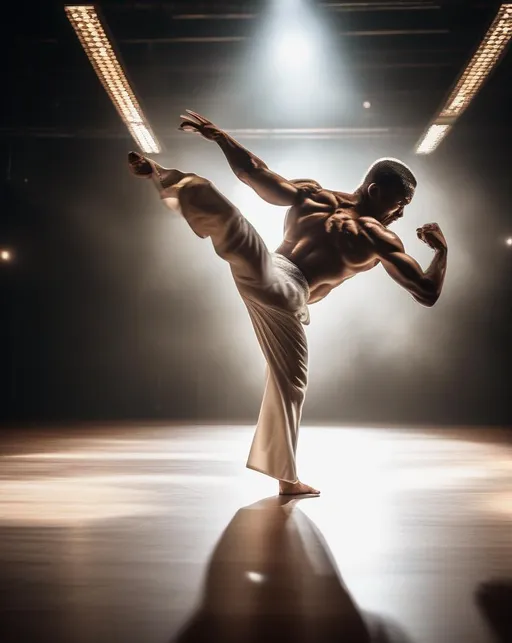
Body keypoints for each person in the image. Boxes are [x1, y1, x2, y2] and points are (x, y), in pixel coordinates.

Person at [128, 110, 448, 496]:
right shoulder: (379, 237)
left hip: (270, 281)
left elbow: (255, 174)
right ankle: (287, 481)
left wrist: (219, 136)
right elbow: (427, 292)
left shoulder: (315, 195)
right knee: (240, 236)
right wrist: (442, 251)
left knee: (239, 237)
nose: (401, 213)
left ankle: (164, 176)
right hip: (283, 287)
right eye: (401, 203)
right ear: (376, 191)